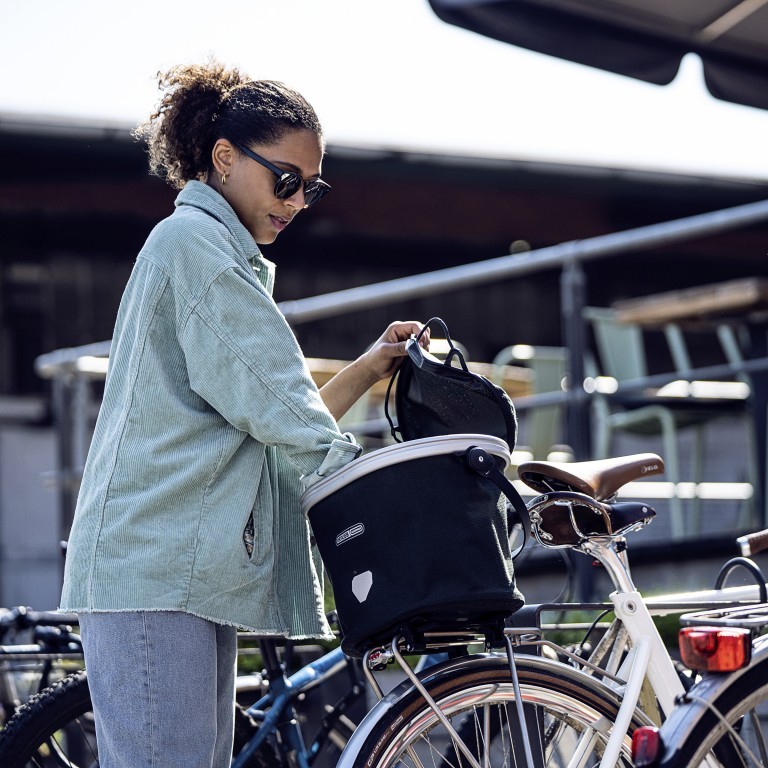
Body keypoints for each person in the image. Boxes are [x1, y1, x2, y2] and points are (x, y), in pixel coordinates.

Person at [59, 60, 427, 768]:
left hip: (174, 570)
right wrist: (387, 492)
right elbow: (281, 406)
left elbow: (265, 414)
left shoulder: (208, 248)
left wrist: (367, 366)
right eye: (284, 179)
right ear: (225, 158)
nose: (295, 202)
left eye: (310, 188)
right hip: (157, 571)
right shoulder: (198, 248)